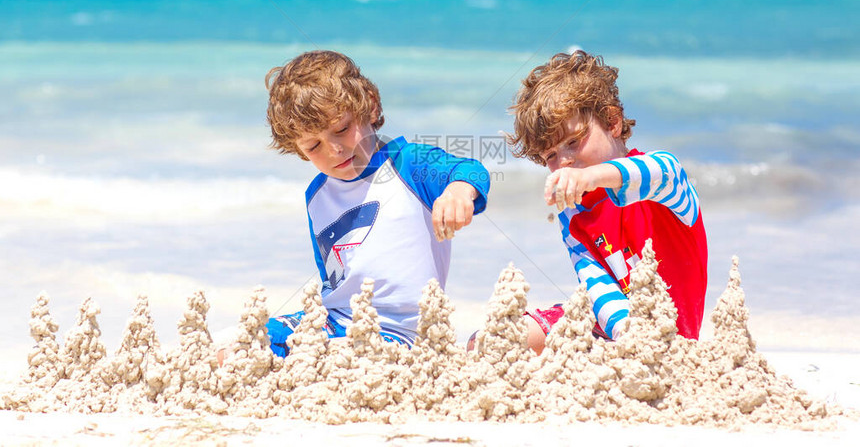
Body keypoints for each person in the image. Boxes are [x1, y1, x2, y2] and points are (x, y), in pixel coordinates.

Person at [263, 50, 490, 357]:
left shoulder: (408, 163)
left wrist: (458, 193)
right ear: (300, 151)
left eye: (341, 129)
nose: (334, 150)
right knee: (248, 341)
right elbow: (332, 275)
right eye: (314, 146)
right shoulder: (316, 196)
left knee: (341, 356)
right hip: (332, 321)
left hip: (403, 331)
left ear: (369, 106)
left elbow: (468, 170)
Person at [507, 50, 707, 353]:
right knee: (499, 338)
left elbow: (660, 173)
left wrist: (592, 177)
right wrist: (629, 338)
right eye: (550, 156)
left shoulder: (662, 177)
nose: (564, 162)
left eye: (573, 142)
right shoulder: (572, 215)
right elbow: (597, 287)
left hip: (673, 343)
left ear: (613, 122)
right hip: (615, 331)